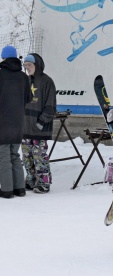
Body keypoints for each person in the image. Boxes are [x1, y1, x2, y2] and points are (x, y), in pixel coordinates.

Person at [21, 53, 57, 194]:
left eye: (29, 65)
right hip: (24, 126)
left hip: (40, 127)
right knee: (27, 156)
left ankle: (43, 182)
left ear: (37, 65)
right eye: (25, 66)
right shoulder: (25, 81)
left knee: (39, 155)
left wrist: (42, 122)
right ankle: (31, 180)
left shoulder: (47, 81)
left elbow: (50, 105)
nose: (27, 68)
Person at [0, 46, 32, 199]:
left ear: (3, 58)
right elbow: (29, 99)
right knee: (14, 155)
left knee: (3, 156)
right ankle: (19, 188)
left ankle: (6, 190)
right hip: (18, 122)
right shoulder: (24, 77)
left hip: (2, 122)